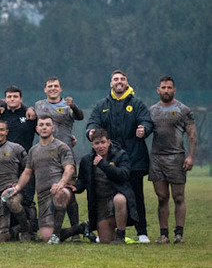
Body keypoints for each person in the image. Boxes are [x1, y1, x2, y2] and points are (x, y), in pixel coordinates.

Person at [87, 70, 154, 243]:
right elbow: (93, 122)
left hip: (134, 159)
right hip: (110, 160)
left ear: (127, 83)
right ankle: (110, 231)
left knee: (136, 196)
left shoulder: (137, 104)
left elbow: (146, 120)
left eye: (122, 79)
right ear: (111, 84)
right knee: (109, 197)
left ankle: (142, 232)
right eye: (115, 79)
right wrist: (90, 131)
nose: (119, 82)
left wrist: (144, 129)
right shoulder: (102, 104)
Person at [9, 117, 87, 244]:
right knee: (45, 237)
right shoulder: (33, 151)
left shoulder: (62, 147)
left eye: (47, 125)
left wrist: (61, 183)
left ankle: (56, 236)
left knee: (61, 194)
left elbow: (70, 168)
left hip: (62, 191)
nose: (44, 127)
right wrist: (17, 188)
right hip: (43, 196)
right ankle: (80, 228)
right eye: (41, 125)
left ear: (53, 128)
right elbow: (27, 172)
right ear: (37, 129)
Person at [34, 77, 84, 241]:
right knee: (50, 191)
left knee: (69, 191)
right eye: (50, 86)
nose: (53, 88)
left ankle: (75, 231)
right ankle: (53, 227)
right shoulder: (38, 105)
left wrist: (73, 106)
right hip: (46, 156)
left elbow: (80, 116)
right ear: (45, 89)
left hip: (65, 154)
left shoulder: (67, 105)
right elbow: (32, 119)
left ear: (60, 89)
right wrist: (28, 111)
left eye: (56, 86)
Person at [149, 76, 196, 244]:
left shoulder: (183, 109)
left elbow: (192, 134)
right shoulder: (152, 110)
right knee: (162, 197)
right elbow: (146, 129)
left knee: (178, 197)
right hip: (157, 159)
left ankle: (179, 233)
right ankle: (163, 234)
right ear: (158, 89)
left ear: (174, 90)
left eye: (169, 87)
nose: (166, 90)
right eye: (163, 87)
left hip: (176, 157)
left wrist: (190, 156)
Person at [72, 129, 138, 244]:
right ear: (92, 144)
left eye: (103, 142)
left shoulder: (120, 155)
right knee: (105, 241)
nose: (100, 146)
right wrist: (76, 187)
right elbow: (82, 180)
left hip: (116, 199)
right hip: (101, 204)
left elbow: (124, 175)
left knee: (120, 199)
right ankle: (87, 227)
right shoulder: (86, 160)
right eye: (97, 143)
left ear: (108, 142)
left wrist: (103, 164)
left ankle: (120, 236)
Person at [0, 85, 38, 240]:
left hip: (26, 164)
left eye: (15, 97)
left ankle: (30, 231)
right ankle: (14, 230)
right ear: (5, 99)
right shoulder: (0, 115)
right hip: (5, 164)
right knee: (9, 197)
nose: (12, 99)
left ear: (21, 99)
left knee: (26, 198)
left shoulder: (30, 115)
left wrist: (33, 109)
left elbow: (46, 125)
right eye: (9, 97)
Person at [0, 120, 31, 242]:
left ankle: (26, 228)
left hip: (13, 191)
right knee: (1, 238)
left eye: (2, 130)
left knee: (11, 201)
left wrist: (18, 186)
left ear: (6, 132)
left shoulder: (16, 148)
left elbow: (28, 169)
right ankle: (15, 230)